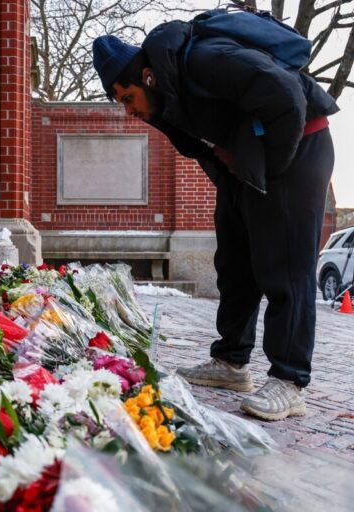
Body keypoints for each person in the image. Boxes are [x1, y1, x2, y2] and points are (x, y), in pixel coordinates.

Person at [92, 15, 338, 421]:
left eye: (127, 97)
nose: (129, 110)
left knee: (285, 264)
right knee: (235, 259)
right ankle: (231, 362)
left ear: (147, 77)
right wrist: (235, 178)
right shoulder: (166, 102)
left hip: (298, 146)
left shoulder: (203, 59)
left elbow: (287, 97)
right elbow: (205, 146)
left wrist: (271, 170)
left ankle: (290, 380)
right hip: (249, 160)